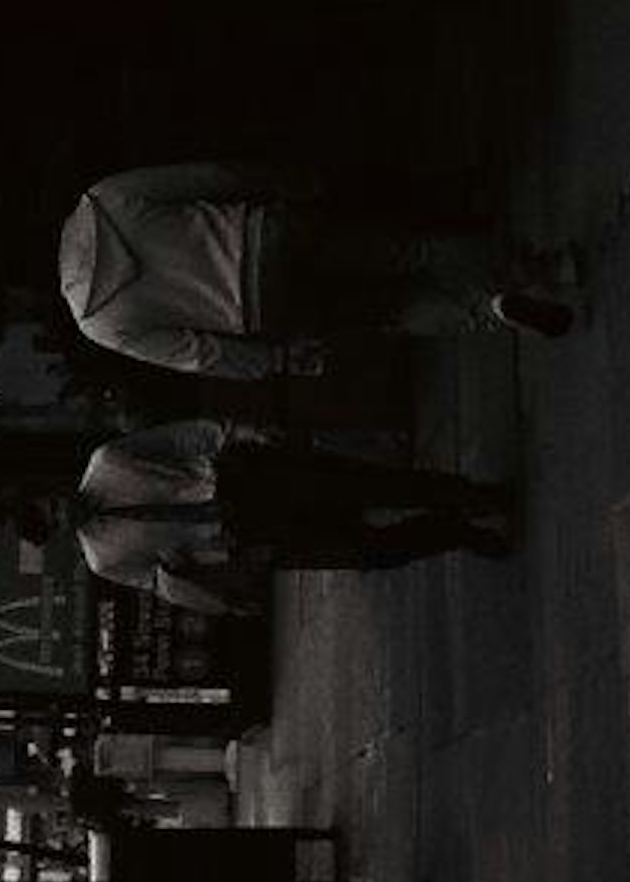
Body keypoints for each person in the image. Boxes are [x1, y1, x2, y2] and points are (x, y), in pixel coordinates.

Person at [57, 162, 580, 381]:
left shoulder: (97, 321)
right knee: (407, 252)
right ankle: (540, 269)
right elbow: (209, 176)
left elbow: (199, 353)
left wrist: (275, 361)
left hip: (265, 308)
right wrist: (276, 181)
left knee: (390, 313)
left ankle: (492, 313)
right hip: (269, 235)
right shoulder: (104, 201)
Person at [61, 419, 515, 613]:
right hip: (242, 537)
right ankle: (453, 533)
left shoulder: (109, 462)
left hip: (248, 482)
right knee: (363, 553)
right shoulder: (104, 558)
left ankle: (471, 497)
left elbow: (186, 437)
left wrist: (245, 431)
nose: (61, 513)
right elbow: (159, 585)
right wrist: (206, 591)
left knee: (372, 485)